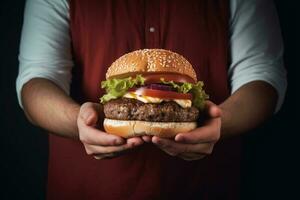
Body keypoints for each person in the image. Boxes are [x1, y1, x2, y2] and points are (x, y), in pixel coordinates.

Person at [16, 0, 287, 199]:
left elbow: (263, 77)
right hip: (84, 189)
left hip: (206, 187)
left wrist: (220, 123)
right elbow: (37, 79)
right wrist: (77, 121)